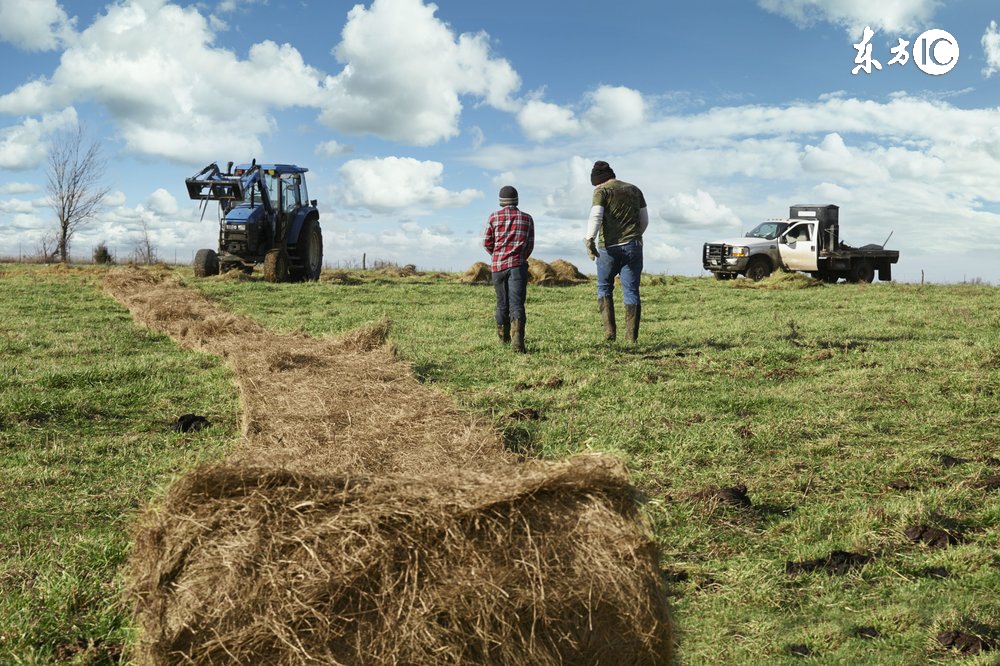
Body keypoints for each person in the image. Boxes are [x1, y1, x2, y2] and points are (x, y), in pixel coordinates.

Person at [583, 160, 649, 343]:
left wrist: (589, 239)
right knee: (631, 290)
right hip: (633, 246)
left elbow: (596, 215)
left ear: (598, 180)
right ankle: (631, 338)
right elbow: (644, 220)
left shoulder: (602, 191)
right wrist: (633, 236)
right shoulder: (635, 190)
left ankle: (610, 333)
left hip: (609, 248)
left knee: (604, 286)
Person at [484, 185, 534, 353]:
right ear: (516, 200)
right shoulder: (527, 218)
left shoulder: (494, 217)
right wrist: (520, 257)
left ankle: (503, 339)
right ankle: (518, 343)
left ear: (501, 201)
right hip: (518, 266)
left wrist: (497, 255)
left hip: (498, 267)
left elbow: (487, 242)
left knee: (501, 303)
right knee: (517, 304)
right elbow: (530, 244)